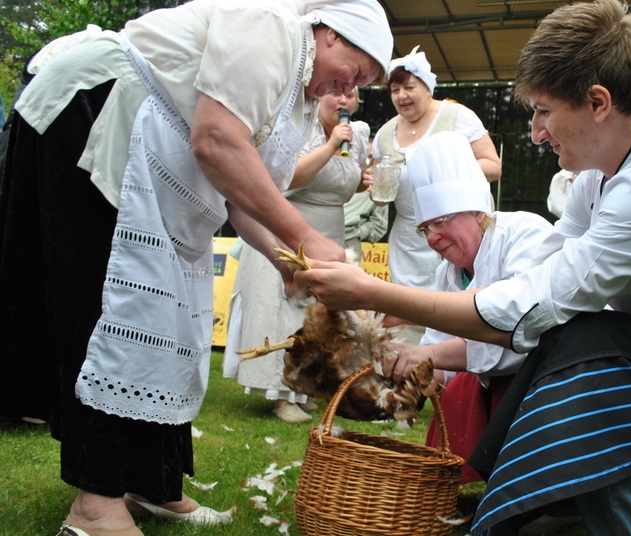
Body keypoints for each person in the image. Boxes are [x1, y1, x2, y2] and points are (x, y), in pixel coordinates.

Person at [293, 1, 631, 535]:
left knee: (591, 363)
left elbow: (533, 306)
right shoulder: (603, 173)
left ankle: (526, 506)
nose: (535, 133)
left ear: (598, 103)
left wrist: (374, 295)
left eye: (543, 111)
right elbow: (542, 293)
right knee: (583, 372)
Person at [0, 0, 392, 534]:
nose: (352, 88)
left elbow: (240, 196)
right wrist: (303, 236)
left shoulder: (294, 102)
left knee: (172, 324)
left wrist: (285, 261)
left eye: (364, 81)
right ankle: (96, 504)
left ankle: (152, 481)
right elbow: (215, 141)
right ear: (329, 35)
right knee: (116, 308)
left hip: (157, 163)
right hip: (95, 115)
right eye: (358, 70)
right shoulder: (274, 29)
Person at [378, 130, 560, 486]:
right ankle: (464, 478)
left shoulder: (525, 235)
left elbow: (520, 332)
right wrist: (415, 373)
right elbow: (439, 350)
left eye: (441, 222)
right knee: (458, 386)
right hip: (497, 381)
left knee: (481, 382)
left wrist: (426, 354)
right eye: (425, 228)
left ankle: (541, 493)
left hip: (545, 379)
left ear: (478, 211)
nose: (432, 238)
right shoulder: (449, 272)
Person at [222, 87, 371, 423]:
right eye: (337, 92)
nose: (343, 100)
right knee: (283, 313)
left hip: (329, 230)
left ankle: (303, 388)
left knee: (316, 318)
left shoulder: (357, 136)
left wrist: (365, 181)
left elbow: (344, 181)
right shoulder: (301, 130)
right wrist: (330, 147)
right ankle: (280, 395)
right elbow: (288, 179)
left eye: (351, 95)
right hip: (287, 227)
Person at [371, 45, 502, 342]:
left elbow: (493, 166)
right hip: (409, 236)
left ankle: (458, 372)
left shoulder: (457, 116)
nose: (402, 95)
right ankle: (415, 372)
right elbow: (382, 195)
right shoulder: (385, 133)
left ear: (427, 87)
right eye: (394, 89)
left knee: (457, 302)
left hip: (458, 228)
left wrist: (448, 179)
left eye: (409, 86)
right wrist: (374, 186)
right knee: (409, 309)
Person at [343, 191, 389, 260]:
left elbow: (379, 225)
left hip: (348, 240)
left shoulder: (378, 183)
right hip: (321, 234)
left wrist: (358, 232)